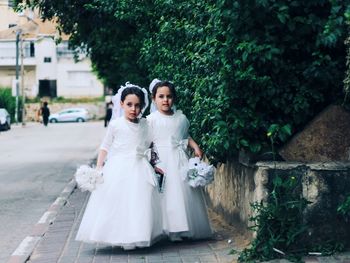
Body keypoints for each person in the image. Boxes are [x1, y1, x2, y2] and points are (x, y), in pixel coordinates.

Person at [76, 82, 163, 249]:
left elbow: (151, 145)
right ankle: (120, 235)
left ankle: (138, 234)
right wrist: (99, 167)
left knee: (140, 201)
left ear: (142, 107)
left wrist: (154, 163)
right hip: (119, 168)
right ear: (121, 104)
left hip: (140, 168)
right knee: (119, 201)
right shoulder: (116, 124)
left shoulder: (146, 125)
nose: (133, 109)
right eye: (129, 105)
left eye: (137, 106)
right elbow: (105, 146)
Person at [147, 80, 212, 241]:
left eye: (169, 96)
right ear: (153, 98)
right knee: (164, 193)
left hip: (178, 158)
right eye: (161, 96)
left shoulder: (181, 118)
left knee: (180, 193)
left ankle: (179, 229)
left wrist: (195, 146)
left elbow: (184, 135)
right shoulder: (151, 119)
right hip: (160, 160)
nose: (165, 100)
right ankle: (162, 228)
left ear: (174, 98)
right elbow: (146, 140)